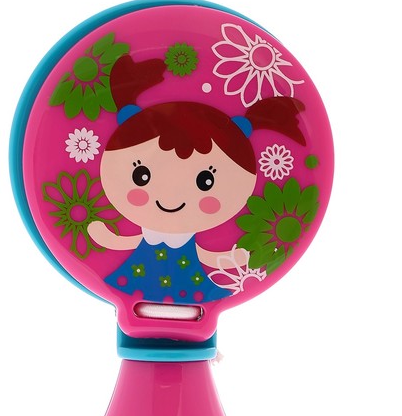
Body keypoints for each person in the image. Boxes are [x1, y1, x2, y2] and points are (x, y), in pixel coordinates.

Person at [88, 55, 306, 304]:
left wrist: (234, 259)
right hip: (158, 284)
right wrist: (110, 240)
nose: (171, 194)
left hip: (184, 286)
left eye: (205, 182)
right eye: (142, 176)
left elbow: (203, 255)